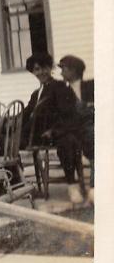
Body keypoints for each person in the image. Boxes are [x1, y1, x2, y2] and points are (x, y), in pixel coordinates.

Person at [22, 52, 80, 183]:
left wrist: (53, 130)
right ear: (33, 72)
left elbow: (66, 113)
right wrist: (11, 121)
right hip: (32, 134)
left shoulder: (59, 87)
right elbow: (26, 113)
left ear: (50, 68)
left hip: (48, 135)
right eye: (37, 69)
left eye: (44, 68)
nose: (41, 72)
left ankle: (72, 184)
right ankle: (15, 183)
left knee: (67, 141)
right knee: (4, 142)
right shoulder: (36, 93)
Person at [58, 54, 94, 187]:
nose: (61, 73)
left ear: (73, 70)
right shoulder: (62, 91)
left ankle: (94, 183)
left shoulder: (91, 86)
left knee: (93, 135)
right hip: (73, 128)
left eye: (64, 69)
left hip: (91, 124)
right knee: (68, 142)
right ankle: (75, 184)